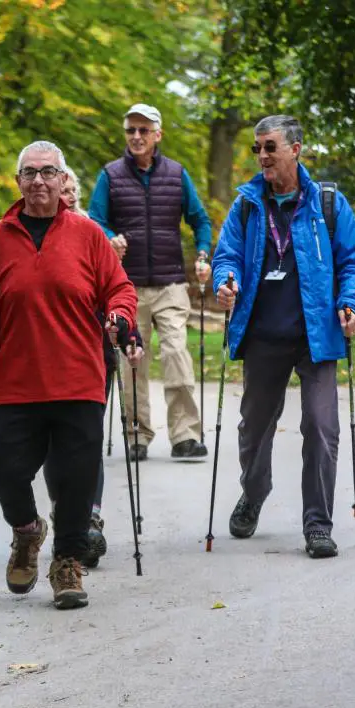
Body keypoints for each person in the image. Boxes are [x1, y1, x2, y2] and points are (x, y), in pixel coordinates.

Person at [0, 141, 138, 610]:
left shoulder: (87, 233)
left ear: (62, 181)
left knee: (77, 478)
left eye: (48, 172)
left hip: (78, 378)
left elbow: (119, 287)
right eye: (30, 173)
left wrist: (119, 316)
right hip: (15, 382)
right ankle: (27, 531)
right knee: (5, 471)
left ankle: (67, 563)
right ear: (17, 181)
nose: (39, 181)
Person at [212, 114, 355, 559]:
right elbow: (227, 256)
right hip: (262, 335)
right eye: (257, 148)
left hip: (315, 335)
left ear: (295, 149)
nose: (262, 155)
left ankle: (318, 524)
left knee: (321, 427)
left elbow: (353, 261)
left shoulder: (328, 203)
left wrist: (351, 304)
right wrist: (226, 281)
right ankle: (255, 491)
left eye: (270, 147)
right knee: (253, 432)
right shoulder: (246, 205)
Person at [88, 103, 213, 462]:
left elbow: (200, 219)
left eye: (144, 130)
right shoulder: (110, 175)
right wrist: (109, 236)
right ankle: (136, 436)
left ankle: (186, 436)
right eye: (131, 130)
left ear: (158, 134)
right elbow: (94, 221)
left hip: (171, 283)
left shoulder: (176, 174)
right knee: (133, 363)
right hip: (126, 286)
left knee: (176, 354)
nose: (137, 137)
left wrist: (203, 255)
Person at [50, 170, 144, 568]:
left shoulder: (93, 236)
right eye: (63, 190)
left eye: (73, 191)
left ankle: (90, 517)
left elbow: (117, 290)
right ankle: (64, 513)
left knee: (87, 441)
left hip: (94, 355)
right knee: (55, 446)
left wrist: (130, 336)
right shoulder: (34, 239)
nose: (68, 197)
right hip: (49, 358)